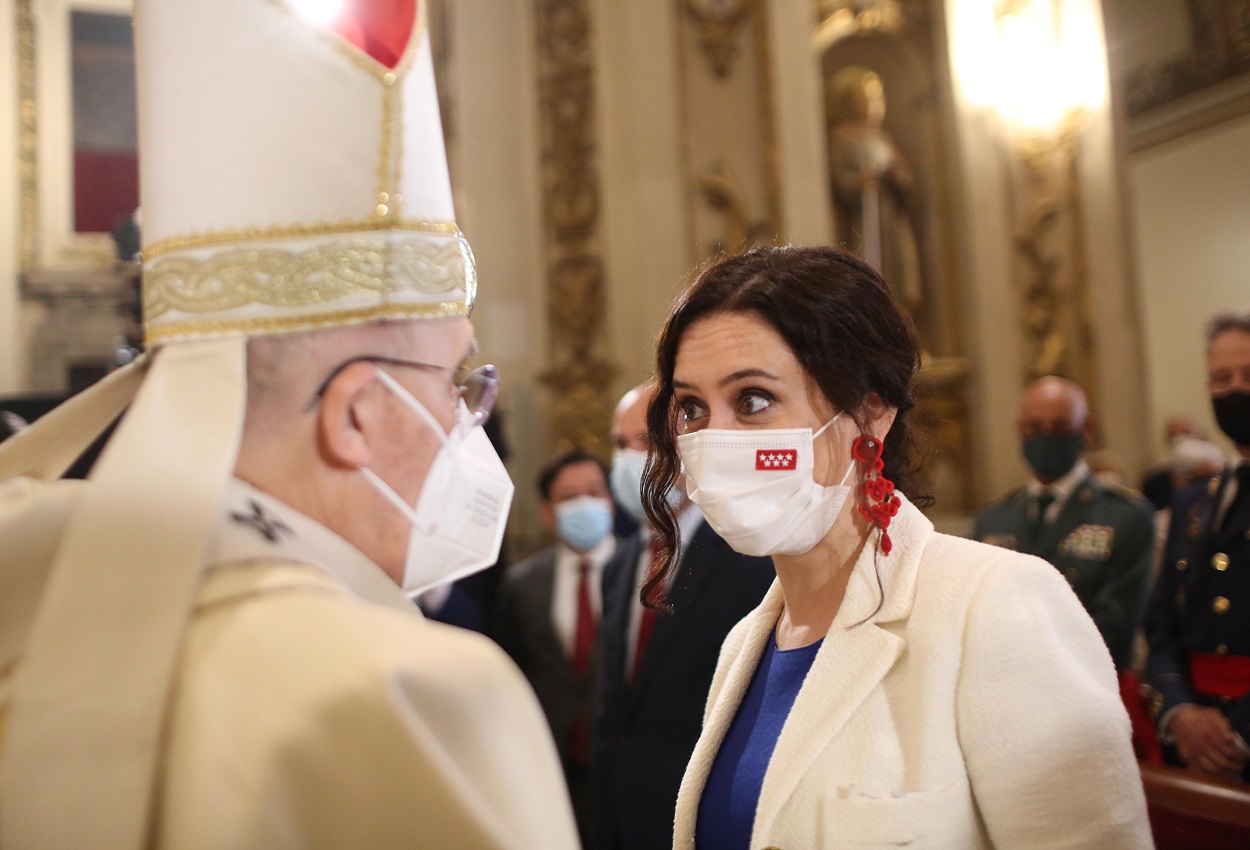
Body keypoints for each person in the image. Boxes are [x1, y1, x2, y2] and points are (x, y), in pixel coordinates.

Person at [0, 2, 580, 848]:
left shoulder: (30, 614)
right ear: (356, 415)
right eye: (459, 380)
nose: (470, 419)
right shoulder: (409, 694)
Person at [639, 246, 1149, 849]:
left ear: (870, 411)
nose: (712, 439)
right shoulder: (743, 646)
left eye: (752, 400)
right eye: (692, 408)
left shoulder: (996, 605)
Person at [596, 384, 774, 850]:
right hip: (624, 817)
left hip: (707, 817)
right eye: (620, 443)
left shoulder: (750, 556)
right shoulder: (620, 564)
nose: (629, 458)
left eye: (646, 441)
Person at [973, 376, 1156, 670]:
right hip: (1007, 686)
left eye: (1059, 427)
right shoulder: (994, 518)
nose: (1046, 436)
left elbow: (1115, 626)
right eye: (1034, 428)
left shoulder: (1126, 517)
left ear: (1086, 428)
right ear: (1020, 430)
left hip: (1089, 685)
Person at [1145, 309, 1250, 782]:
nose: (1235, 390)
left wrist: (1236, 735)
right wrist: (1180, 713)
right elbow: (1161, 623)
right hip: (1192, 745)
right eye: (1221, 378)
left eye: (1248, 375)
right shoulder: (1192, 501)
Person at [495, 449, 618, 848]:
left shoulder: (650, 575)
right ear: (548, 512)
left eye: (595, 492)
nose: (585, 504)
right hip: (550, 766)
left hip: (623, 765)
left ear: (611, 499)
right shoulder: (522, 585)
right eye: (569, 497)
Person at [1141, 414, 1205, 510]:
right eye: (1174, 436)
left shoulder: (1214, 479)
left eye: (1186, 433)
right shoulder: (1154, 482)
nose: (1181, 440)